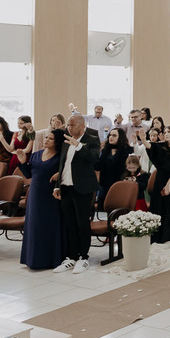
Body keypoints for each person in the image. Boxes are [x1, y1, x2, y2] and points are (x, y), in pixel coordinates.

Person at [52, 114, 100, 274]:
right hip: (66, 187)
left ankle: (83, 257)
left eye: (72, 125)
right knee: (69, 224)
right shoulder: (66, 140)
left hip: (83, 188)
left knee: (82, 224)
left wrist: (79, 145)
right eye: (68, 125)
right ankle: (71, 257)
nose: (68, 128)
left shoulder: (92, 139)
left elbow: (94, 158)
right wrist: (58, 186)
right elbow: (62, 164)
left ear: (82, 126)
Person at [17, 130, 65, 270]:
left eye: (51, 138)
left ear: (57, 142)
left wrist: (60, 173)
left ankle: (49, 259)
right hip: (35, 194)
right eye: (46, 137)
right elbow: (29, 174)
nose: (46, 140)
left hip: (51, 195)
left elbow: (68, 172)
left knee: (49, 226)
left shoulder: (61, 157)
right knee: (34, 225)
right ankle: (33, 259)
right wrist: (22, 162)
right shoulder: (36, 154)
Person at [143, 127, 170, 244]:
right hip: (159, 179)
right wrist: (143, 139)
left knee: (169, 208)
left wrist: (168, 184)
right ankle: (156, 236)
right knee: (157, 206)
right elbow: (150, 147)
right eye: (165, 132)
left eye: (169, 132)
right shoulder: (161, 146)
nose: (166, 134)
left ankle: (169, 236)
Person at [95, 128, 131, 210]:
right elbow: (97, 166)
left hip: (119, 183)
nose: (111, 137)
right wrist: (97, 153)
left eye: (114, 135)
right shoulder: (105, 150)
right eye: (110, 135)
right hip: (104, 184)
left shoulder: (126, 150)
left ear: (120, 137)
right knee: (102, 208)